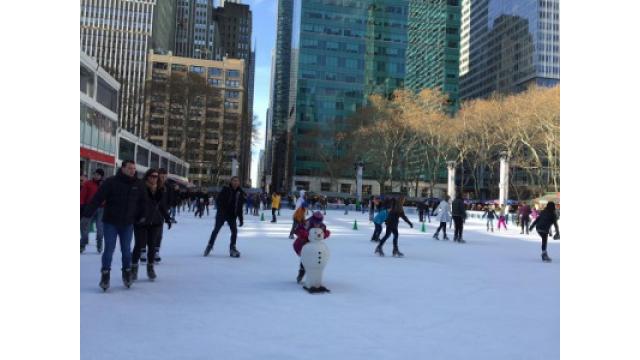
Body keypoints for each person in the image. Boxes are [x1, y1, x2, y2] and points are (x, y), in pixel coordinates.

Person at [82, 160, 147, 291]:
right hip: (111, 222)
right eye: (129, 168)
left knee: (126, 250)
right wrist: (87, 213)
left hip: (127, 223)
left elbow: (143, 202)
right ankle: (105, 274)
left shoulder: (138, 184)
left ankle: (126, 272)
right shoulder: (111, 182)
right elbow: (97, 198)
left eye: (134, 168)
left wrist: (142, 216)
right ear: (122, 168)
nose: (132, 170)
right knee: (109, 250)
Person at [131, 169, 172, 281]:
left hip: (155, 221)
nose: (154, 178)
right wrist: (136, 216)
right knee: (139, 245)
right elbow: (134, 203)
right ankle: (134, 268)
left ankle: (150, 268)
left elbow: (162, 206)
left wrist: (167, 218)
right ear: (147, 176)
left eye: (156, 176)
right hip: (141, 221)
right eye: (152, 176)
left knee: (152, 246)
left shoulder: (161, 189)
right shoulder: (140, 187)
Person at [203, 177, 246, 258]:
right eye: (234, 181)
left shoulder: (240, 193)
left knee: (234, 231)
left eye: (237, 181)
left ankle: (232, 248)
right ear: (231, 182)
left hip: (232, 215)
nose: (235, 183)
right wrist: (221, 210)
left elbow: (240, 207)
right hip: (222, 214)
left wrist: (241, 219)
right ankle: (210, 245)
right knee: (216, 230)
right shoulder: (225, 190)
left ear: (239, 183)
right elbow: (218, 201)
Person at [292, 211, 331, 284]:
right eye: (316, 222)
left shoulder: (322, 226)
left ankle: (316, 277)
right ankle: (301, 273)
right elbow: (297, 230)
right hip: (303, 243)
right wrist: (305, 234)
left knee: (316, 260)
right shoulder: (307, 223)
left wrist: (325, 234)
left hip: (316, 246)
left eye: (319, 222)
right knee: (306, 259)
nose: (317, 224)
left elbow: (323, 234)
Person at [80, 169, 105, 254]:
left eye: (98, 175)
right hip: (89, 208)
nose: (96, 176)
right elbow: (82, 195)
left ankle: (99, 244)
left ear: (101, 176)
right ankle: (82, 244)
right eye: (95, 174)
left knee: (100, 229)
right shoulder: (88, 183)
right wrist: (82, 205)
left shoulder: (105, 185)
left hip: (101, 209)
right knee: (84, 227)